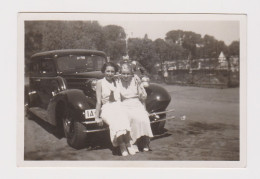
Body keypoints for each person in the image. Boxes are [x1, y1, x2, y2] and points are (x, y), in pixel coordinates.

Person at [95, 62, 136, 156]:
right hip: (107, 108)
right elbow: (98, 101)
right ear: (103, 71)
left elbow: (131, 76)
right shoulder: (100, 82)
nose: (110, 73)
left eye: (112, 71)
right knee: (115, 122)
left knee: (124, 119)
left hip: (119, 106)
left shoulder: (117, 80)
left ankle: (128, 143)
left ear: (115, 72)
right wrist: (97, 117)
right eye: (107, 71)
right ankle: (122, 145)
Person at [117, 62, 153, 152]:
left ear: (131, 74)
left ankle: (145, 141)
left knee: (144, 118)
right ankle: (134, 142)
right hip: (124, 104)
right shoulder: (117, 81)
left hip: (136, 103)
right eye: (123, 73)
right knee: (132, 118)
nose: (126, 76)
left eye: (128, 74)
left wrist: (144, 109)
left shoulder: (136, 80)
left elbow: (142, 97)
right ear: (120, 73)